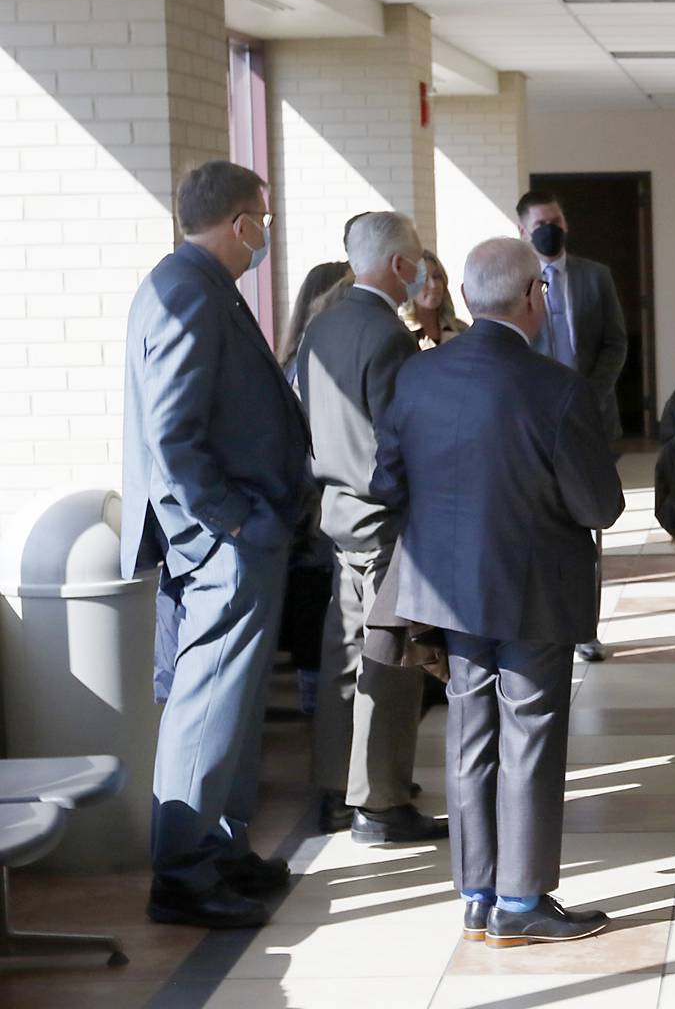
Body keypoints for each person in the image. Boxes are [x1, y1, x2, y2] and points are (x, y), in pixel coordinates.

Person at [372, 236, 625, 947]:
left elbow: (386, 481)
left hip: (444, 588)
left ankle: (479, 893)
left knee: (469, 728)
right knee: (531, 734)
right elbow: (598, 506)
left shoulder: (418, 378)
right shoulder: (557, 387)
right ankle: (521, 898)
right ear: (529, 297)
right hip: (531, 586)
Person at [121, 160, 311, 928]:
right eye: (261, 222)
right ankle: (184, 873)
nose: (264, 236)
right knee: (206, 704)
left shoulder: (198, 285)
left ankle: (222, 846)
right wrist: (235, 522)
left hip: (234, 536)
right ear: (241, 224)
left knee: (231, 705)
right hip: (222, 543)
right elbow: (173, 435)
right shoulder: (183, 292)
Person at [296, 211, 447, 845]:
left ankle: (337, 788)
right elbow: (395, 441)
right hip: (384, 523)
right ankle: (382, 805)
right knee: (391, 662)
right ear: (397, 265)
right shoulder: (386, 335)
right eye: (415, 259)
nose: (419, 270)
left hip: (335, 516)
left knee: (346, 659)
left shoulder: (320, 327)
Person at [516, 189, 628, 664]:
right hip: (535, 422)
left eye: (556, 219)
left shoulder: (594, 276)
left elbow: (614, 343)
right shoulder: (515, 280)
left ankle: (587, 628)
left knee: (590, 526)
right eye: (541, 222)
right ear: (522, 229)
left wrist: (589, 393)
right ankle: (543, 623)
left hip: (592, 417)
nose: (550, 228)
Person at [274, 261, 352, 715]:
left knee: (318, 655)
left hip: (310, 533)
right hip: (315, 533)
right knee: (322, 656)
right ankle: (331, 770)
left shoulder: (294, 364)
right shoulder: (309, 368)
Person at [399, 249, 467, 349]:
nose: (433, 285)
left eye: (437, 277)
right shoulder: (400, 334)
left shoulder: (462, 330)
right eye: (423, 278)